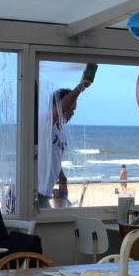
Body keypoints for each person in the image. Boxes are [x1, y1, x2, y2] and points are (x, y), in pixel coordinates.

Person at [38, 75, 92, 209]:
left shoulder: (62, 133)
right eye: (70, 109)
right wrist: (80, 88)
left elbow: (54, 158)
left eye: (74, 110)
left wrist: (62, 179)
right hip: (28, 191)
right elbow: (59, 111)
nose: (72, 114)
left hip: (44, 191)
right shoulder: (44, 121)